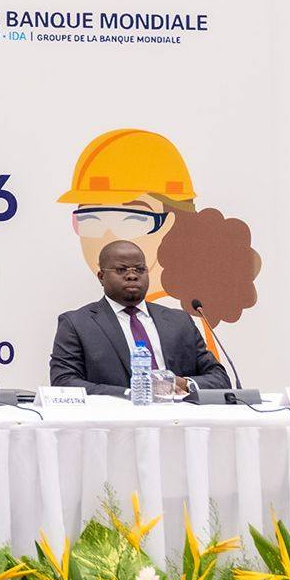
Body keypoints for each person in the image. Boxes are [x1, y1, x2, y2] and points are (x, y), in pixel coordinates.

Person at [59, 128, 261, 355]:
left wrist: (177, 378)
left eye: (131, 219)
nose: (107, 236)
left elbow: (212, 374)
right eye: (91, 219)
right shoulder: (79, 324)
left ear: (169, 222)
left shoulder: (179, 319)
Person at [48, 240, 229, 397]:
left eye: (140, 269)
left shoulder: (179, 321)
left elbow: (219, 378)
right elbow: (64, 382)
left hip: (179, 419)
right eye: (121, 269)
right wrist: (132, 394)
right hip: (116, 421)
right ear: (102, 277)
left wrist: (183, 384)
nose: (132, 275)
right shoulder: (77, 324)